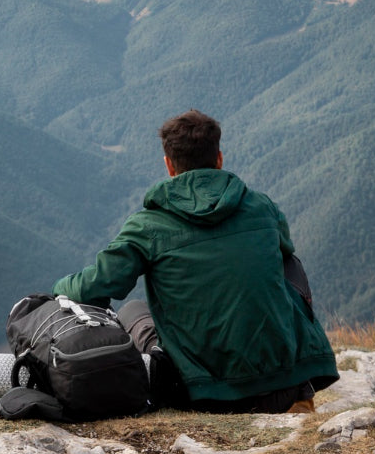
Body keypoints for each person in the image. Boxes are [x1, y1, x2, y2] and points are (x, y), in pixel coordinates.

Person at [52, 109, 339, 412]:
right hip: (280, 387)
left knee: (133, 310)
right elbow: (286, 249)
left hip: (201, 395)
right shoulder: (262, 207)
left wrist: (59, 286)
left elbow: (95, 286)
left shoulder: (148, 225)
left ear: (169, 166)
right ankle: (300, 390)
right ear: (219, 159)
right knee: (288, 263)